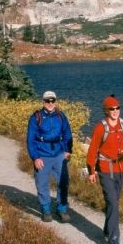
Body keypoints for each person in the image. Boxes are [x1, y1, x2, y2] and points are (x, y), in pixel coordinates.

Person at [86, 94, 123, 244]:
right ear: (106, 111)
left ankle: (107, 230)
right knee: (113, 203)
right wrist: (91, 171)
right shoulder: (100, 128)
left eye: (117, 108)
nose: (115, 111)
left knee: (114, 202)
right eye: (112, 109)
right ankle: (114, 240)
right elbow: (92, 150)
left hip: (121, 169)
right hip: (105, 170)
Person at [26, 90, 74, 223]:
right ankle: (46, 210)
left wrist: (68, 150)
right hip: (42, 155)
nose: (50, 103)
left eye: (53, 100)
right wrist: (35, 157)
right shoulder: (36, 117)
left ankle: (62, 209)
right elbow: (30, 139)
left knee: (63, 182)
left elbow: (67, 134)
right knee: (42, 184)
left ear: (56, 101)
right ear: (43, 102)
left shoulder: (60, 116)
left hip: (59, 154)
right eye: (48, 101)